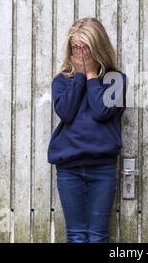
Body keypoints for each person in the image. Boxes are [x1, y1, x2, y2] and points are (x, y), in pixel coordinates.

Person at [47, 17, 127, 243]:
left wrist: (92, 75)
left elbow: (101, 111)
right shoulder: (62, 81)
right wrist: (80, 76)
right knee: (76, 235)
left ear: (98, 47)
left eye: (85, 47)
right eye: (76, 47)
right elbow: (66, 112)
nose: (80, 53)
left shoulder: (116, 81)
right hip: (69, 168)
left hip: (102, 169)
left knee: (98, 235)